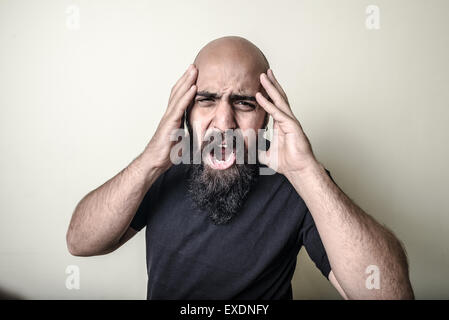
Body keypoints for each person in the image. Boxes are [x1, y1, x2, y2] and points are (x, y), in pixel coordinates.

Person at [66, 36, 414, 300]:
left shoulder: (297, 180)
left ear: (266, 116)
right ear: (185, 110)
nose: (224, 122)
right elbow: (80, 242)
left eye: (243, 103)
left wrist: (307, 172)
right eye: (207, 100)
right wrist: (148, 161)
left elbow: (390, 295)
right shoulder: (163, 168)